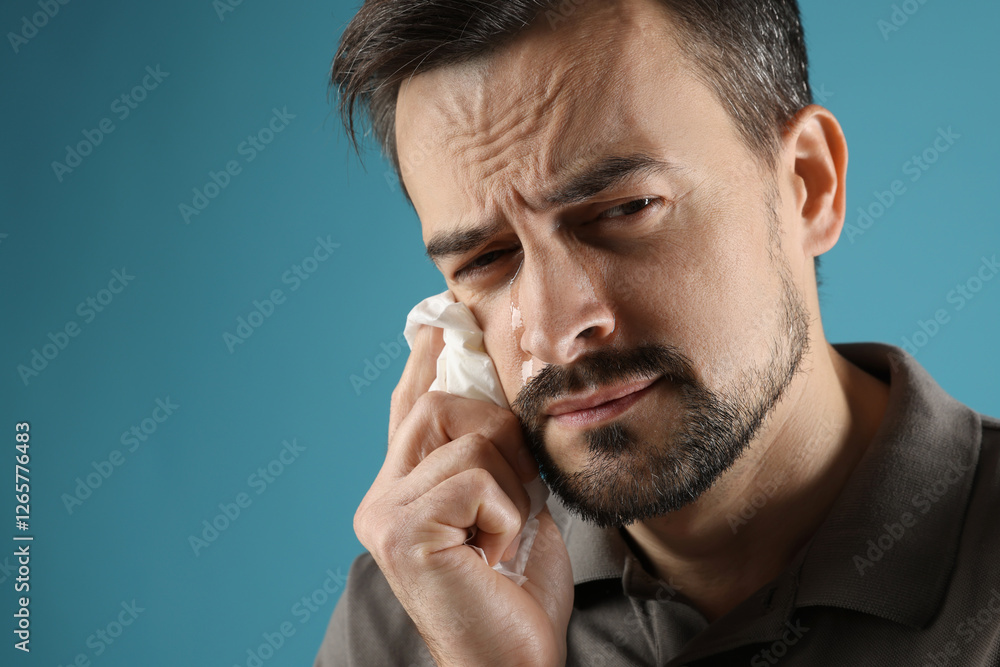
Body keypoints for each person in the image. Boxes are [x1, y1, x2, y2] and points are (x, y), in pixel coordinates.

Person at [316, 1, 1000, 664]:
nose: (553, 333)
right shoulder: (418, 610)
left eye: (624, 208)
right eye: (486, 259)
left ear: (806, 185)